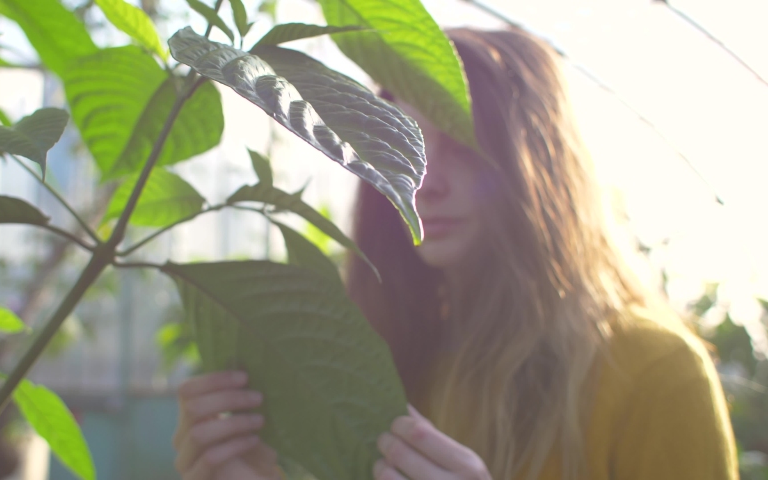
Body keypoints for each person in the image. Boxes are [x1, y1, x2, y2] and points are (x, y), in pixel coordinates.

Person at [171, 27, 738, 480]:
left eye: (462, 144)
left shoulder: (654, 373)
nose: (422, 182)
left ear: (538, 166)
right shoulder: (400, 361)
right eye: (403, 146)